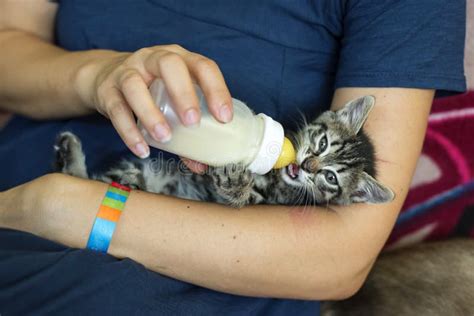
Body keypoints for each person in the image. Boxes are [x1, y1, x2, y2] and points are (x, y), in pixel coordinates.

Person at [0, 1, 466, 315]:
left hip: (196, 274)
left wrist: (77, 210)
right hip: (20, 205)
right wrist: (97, 75)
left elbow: (341, 256)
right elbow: (10, 43)